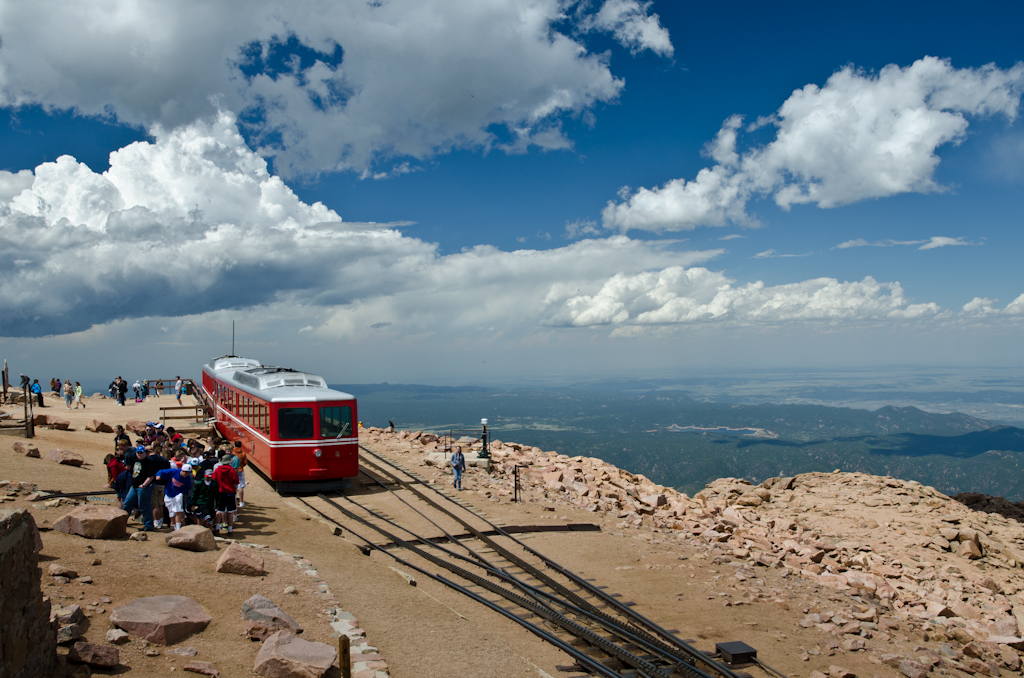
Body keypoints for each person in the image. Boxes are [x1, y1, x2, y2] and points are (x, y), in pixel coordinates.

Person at [121, 446, 159, 531]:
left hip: (144, 487)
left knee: (144, 505)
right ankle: (121, 521)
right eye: (138, 452)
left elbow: (151, 476)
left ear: (144, 453)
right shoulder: (136, 460)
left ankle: (148, 525)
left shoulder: (149, 462)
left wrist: (144, 485)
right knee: (127, 503)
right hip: (134, 486)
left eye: (141, 452)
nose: (139, 454)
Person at [155, 463, 193, 531]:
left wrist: (181, 493)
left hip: (178, 495)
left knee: (177, 511)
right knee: (171, 514)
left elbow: (188, 487)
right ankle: (174, 526)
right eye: (185, 472)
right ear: (182, 470)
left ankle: (178, 529)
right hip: (169, 494)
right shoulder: (174, 472)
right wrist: (158, 476)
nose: (186, 474)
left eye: (188, 473)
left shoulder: (188, 478)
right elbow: (161, 471)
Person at [212, 454, 239, 534]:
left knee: (219, 511)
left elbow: (214, 480)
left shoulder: (217, 470)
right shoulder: (232, 470)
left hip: (220, 492)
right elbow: (236, 481)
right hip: (230, 492)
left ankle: (217, 527)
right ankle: (230, 529)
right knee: (230, 512)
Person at [150, 449, 172, 529]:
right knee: (161, 504)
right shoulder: (165, 461)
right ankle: (160, 521)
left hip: (154, 484)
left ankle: (156, 522)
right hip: (163, 484)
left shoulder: (150, 459)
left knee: (154, 505)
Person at [231, 441, 247, 508]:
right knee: (240, 486)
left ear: (234, 445)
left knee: (233, 486)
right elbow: (245, 462)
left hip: (233, 470)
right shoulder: (243, 453)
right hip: (240, 470)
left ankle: (233, 500)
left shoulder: (232, 453)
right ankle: (241, 502)